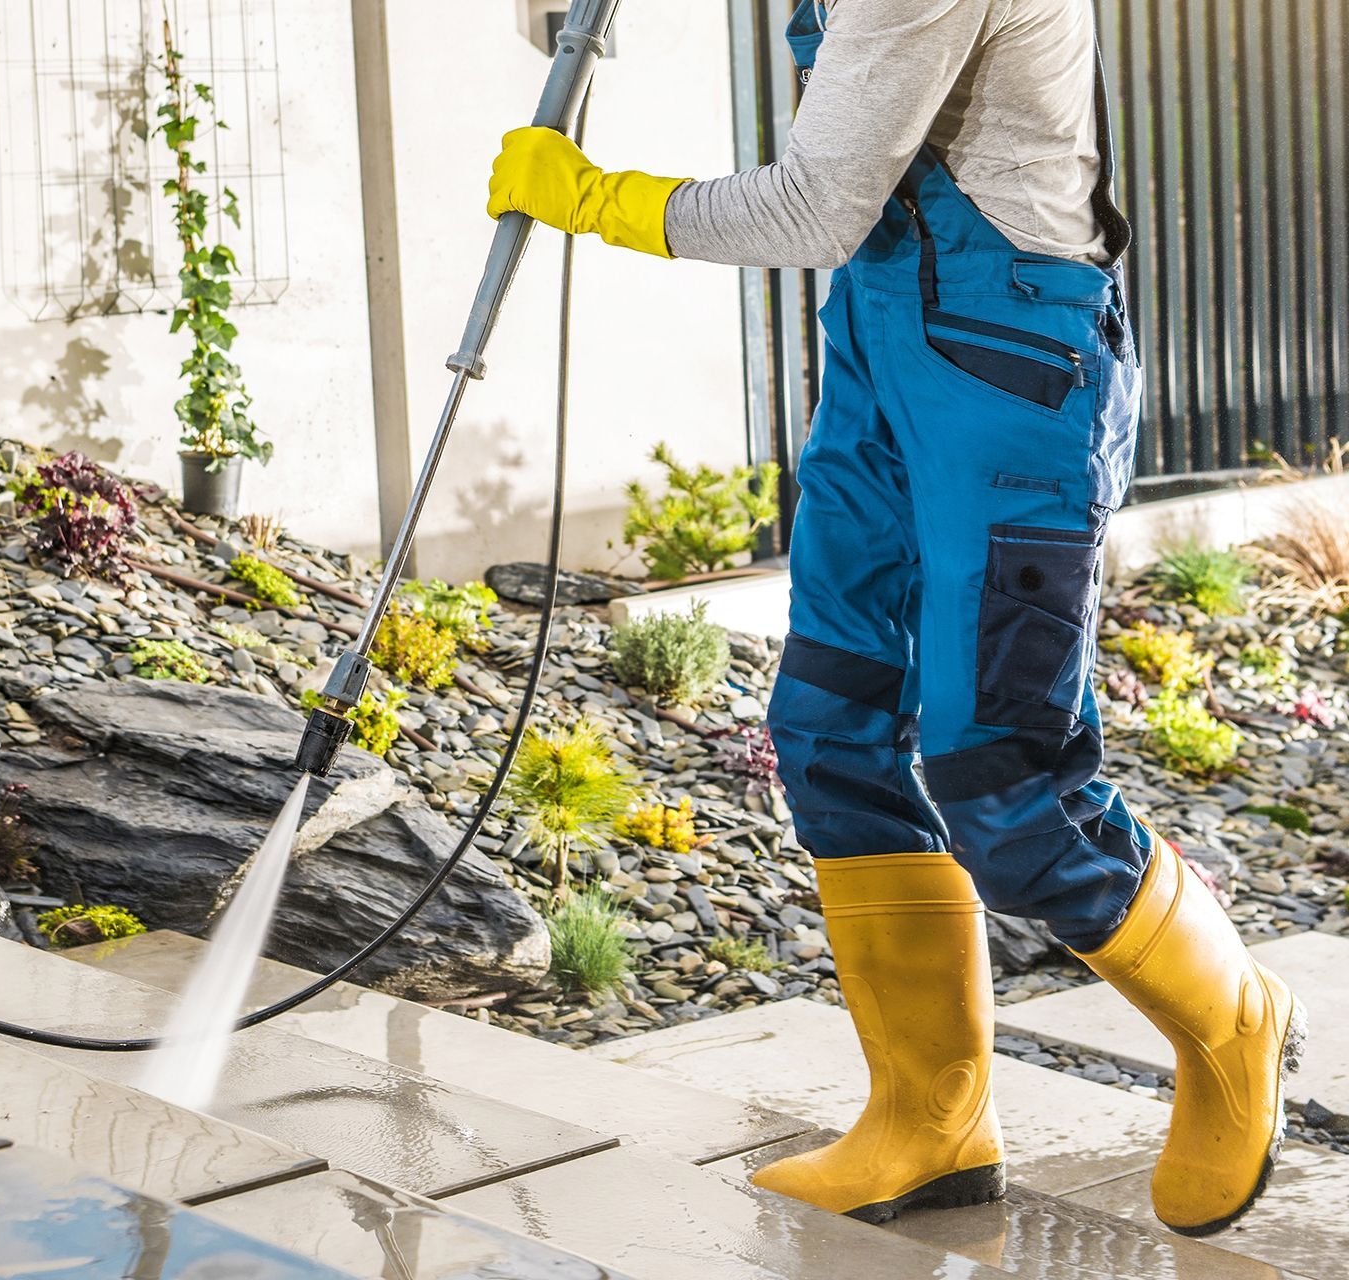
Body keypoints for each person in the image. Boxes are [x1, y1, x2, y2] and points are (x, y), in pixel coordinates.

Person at [485, 0, 1304, 1237]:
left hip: (1011, 370)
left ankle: (1233, 1013)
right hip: (878, 353)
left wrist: (598, 197)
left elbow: (816, 206)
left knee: (1004, 779)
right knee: (832, 726)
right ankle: (929, 1115)